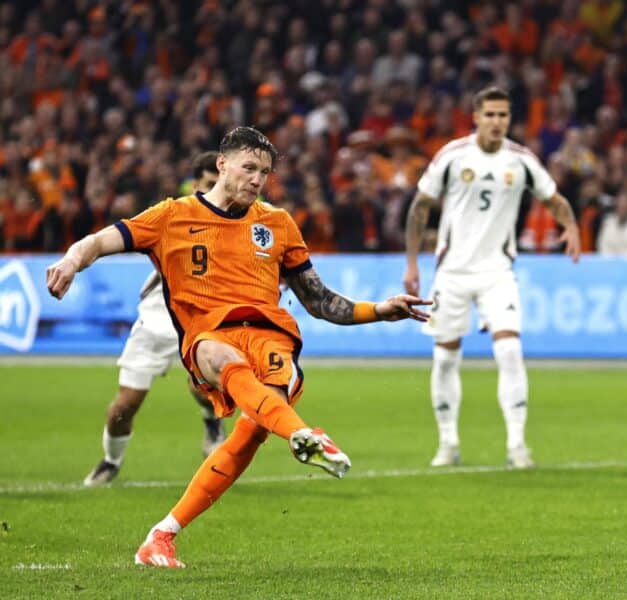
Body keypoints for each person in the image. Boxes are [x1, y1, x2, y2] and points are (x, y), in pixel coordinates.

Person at [46, 126, 429, 568]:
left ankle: (161, 536)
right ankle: (304, 434)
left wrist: (379, 309)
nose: (257, 179)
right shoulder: (172, 216)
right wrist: (72, 260)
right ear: (222, 165)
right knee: (218, 357)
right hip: (209, 335)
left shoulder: (277, 223)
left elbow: (320, 301)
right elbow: (100, 241)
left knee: (251, 434)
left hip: (270, 338)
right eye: (250, 168)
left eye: (265, 172)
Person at [403, 86, 581, 469]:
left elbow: (554, 199)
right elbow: (420, 207)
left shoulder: (521, 160)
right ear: (476, 117)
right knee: (446, 359)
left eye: (503, 115)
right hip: (451, 272)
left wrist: (572, 227)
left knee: (510, 351)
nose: (497, 122)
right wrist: (413, 264)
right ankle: (448, 443)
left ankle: (517, 444)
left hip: (497, 273)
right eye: (491, 115)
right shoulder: (453, 156)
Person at [83, 152, 227, 487]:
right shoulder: (174, 214)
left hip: (202, 321)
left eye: (217, 184)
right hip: (157, 322)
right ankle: (111, 461)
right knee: (124, 407)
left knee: (206, 385)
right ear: (194, 185)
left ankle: (211, 421)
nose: (212, 191)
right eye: (207, 185)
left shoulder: (236, 219)